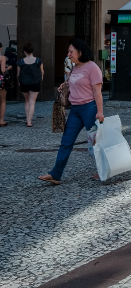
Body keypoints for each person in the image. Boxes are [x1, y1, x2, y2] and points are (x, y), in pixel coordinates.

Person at [38, 39, 103, 185]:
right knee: (66, 142)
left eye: (71, 52)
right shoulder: (74, 67)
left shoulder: (92, 68)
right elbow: (71, 81)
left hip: (89, 109)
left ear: (80, 52)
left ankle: (103, 170)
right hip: (75, 110)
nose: (68, 54)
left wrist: (100, 112)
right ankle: (55, 174)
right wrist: (64, 85)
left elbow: (97, 92)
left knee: (95, 142)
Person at [17, 43, 43, 127]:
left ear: (24, 52)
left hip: (24, 83)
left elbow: (18, 74)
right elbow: (42, 71)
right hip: (35, 83)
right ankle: (29, 121)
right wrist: (41, 77)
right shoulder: (38, 60)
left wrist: (19, 81)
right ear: (32, 51)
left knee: (27, 101)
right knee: (32, 102)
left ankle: (27, 118)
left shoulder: (20, 62)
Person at [0, 42, 7, 127]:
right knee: (2, 101)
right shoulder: (2, 57)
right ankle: (1, 120)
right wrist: (8, 68)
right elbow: (3, 70)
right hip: (0, 81)